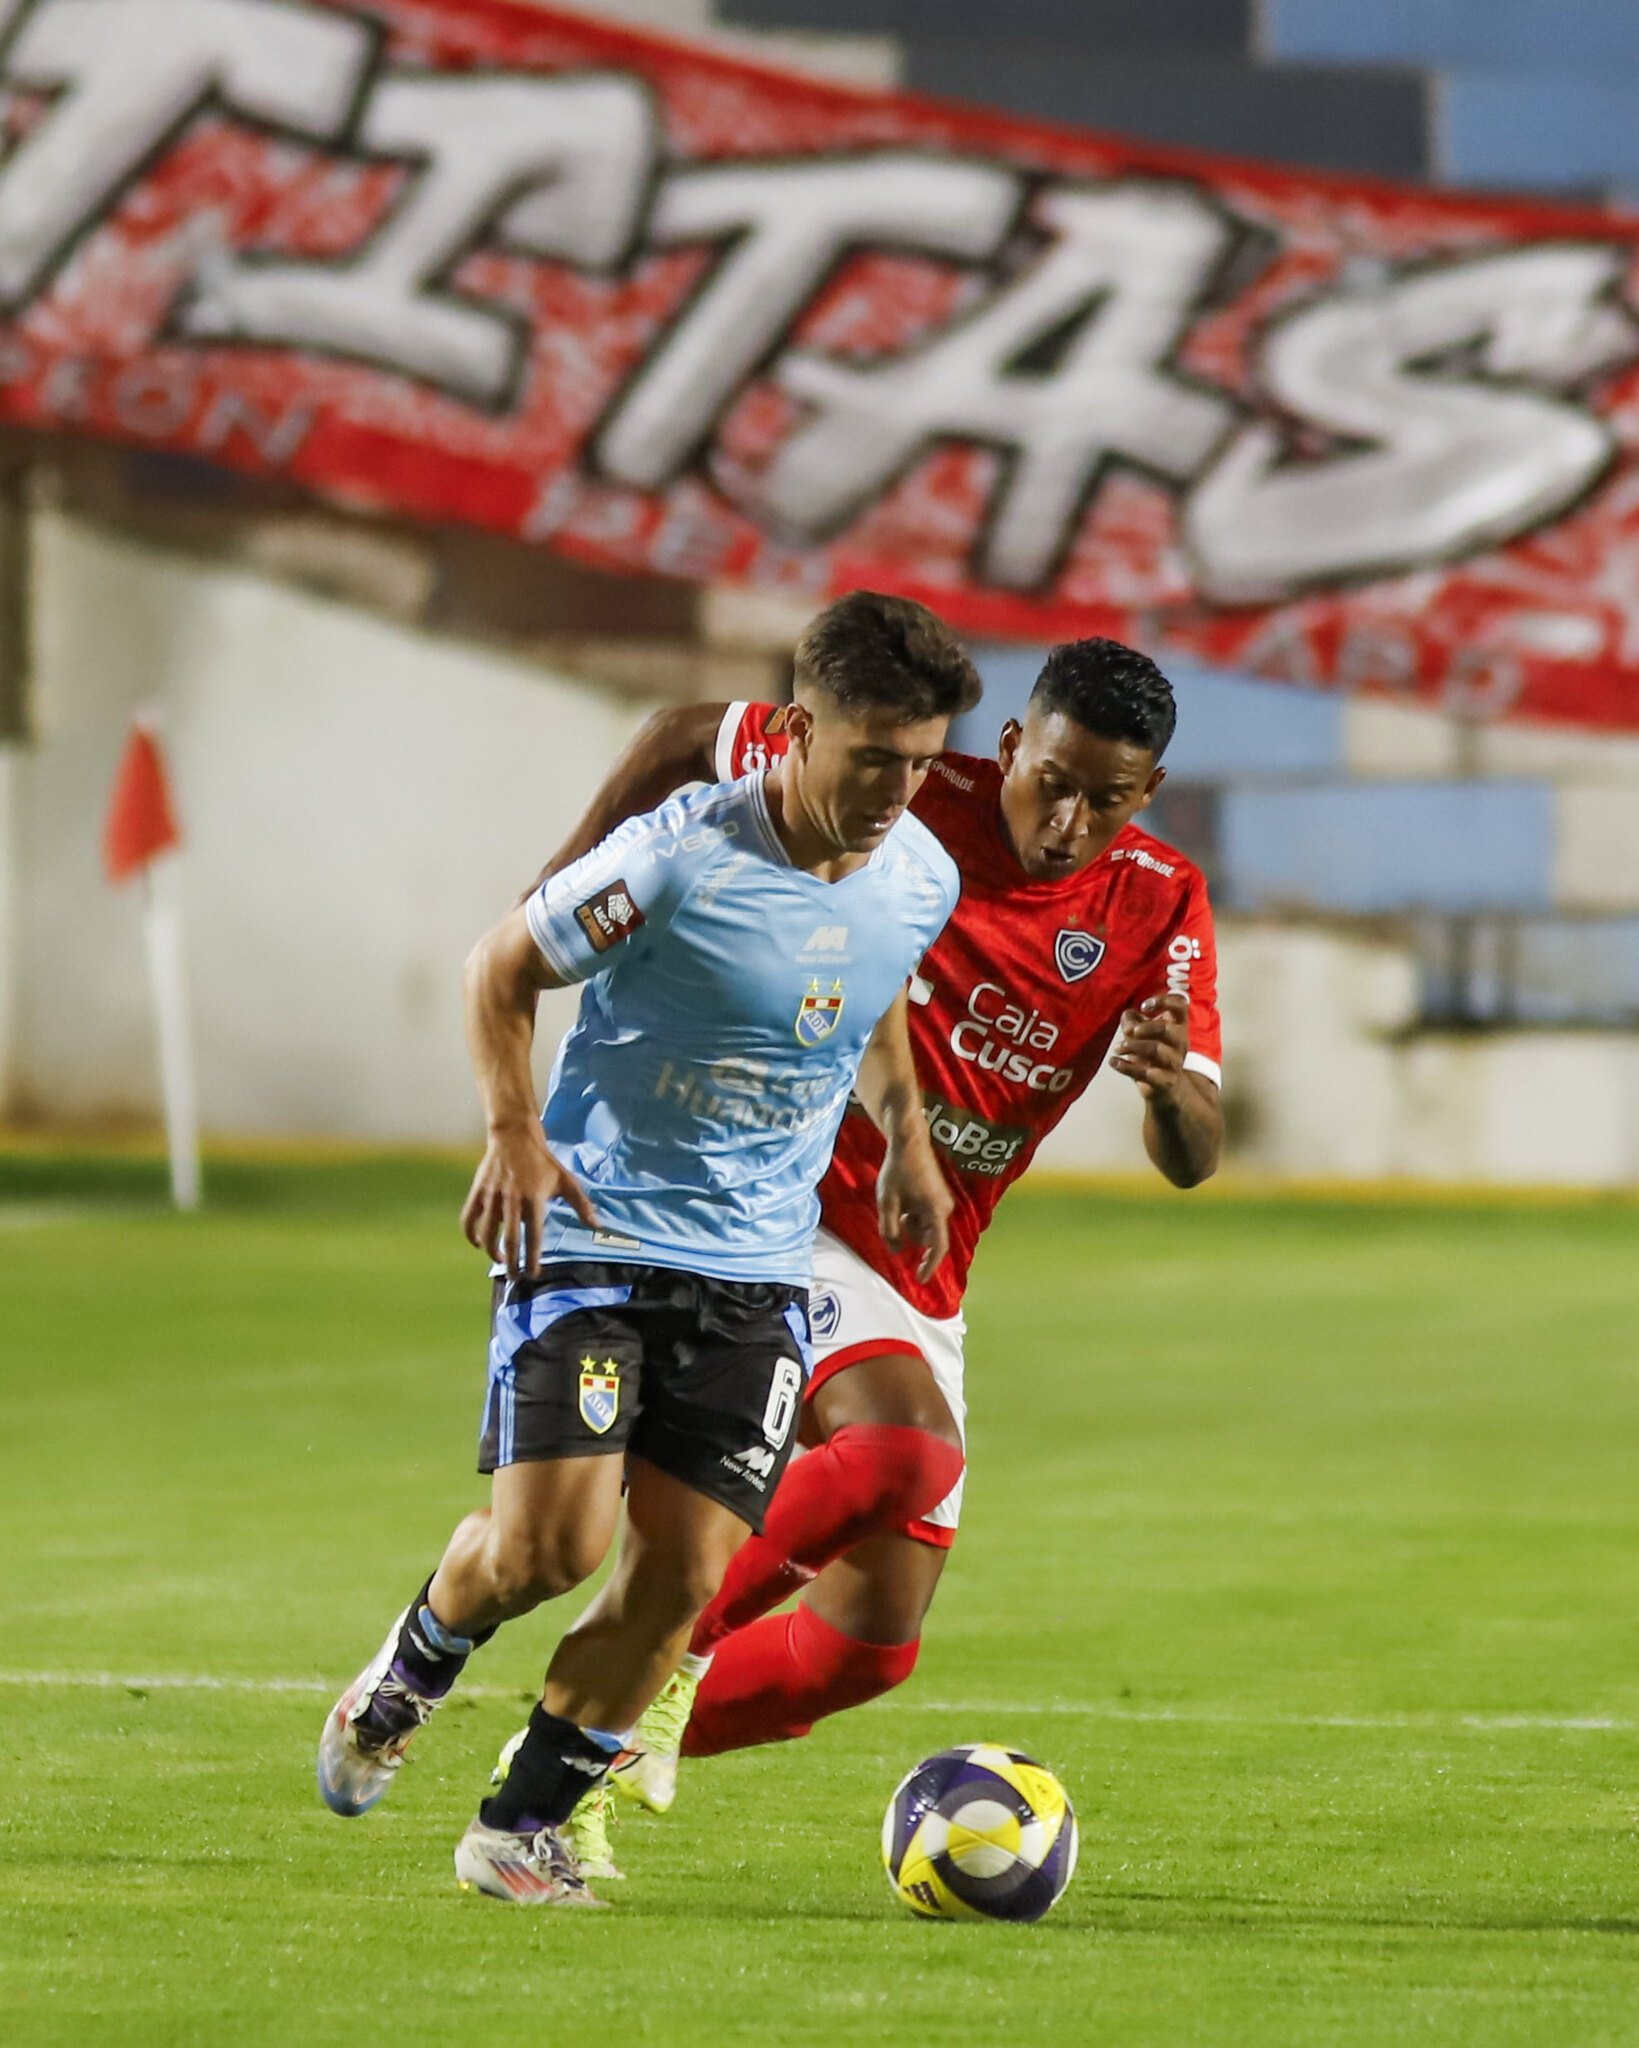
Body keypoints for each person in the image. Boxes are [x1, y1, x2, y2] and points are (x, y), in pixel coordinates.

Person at [315, 590, 980, 1904]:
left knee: (681, 1577)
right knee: (549, 1552)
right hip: (596, 1240)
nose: (896, 792)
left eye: (919, 763)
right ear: (798, 727)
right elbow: (498, 968)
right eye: (871, 759)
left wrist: (906, 1131)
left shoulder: (919, 872)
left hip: (757, 1272)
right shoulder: (679, 855)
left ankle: (518, 1826)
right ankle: (417, 1657)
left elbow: (874, 979)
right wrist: (512, 1129)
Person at [510, 636, 1222, 1833]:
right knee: (905, 1449)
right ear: (1011, 745)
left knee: (866, 1643)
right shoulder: (904, 789)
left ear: (1146, 791)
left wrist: (1166, 1089)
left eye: (1105, 799)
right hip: (793, 1202)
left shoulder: (1159, 900)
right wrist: (563, 880)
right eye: (1052, 782)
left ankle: (589, 1744)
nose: (1067, 821)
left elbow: (1193, 1154)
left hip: (926, 1257)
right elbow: (683, 733)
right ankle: (648, 1655)